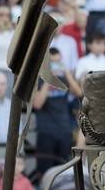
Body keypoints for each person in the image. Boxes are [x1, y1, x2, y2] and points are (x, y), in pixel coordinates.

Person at [31, 54, 81, 182]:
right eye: (52, 62)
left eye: (58, 62)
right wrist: (49, 79)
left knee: (64, 168)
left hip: (64, 130)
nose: (55, 65)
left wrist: (67, 74)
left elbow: (79, 93)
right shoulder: (38, 80)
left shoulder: (65, 79)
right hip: (46, 131)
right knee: (44, 170)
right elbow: (37, 104)